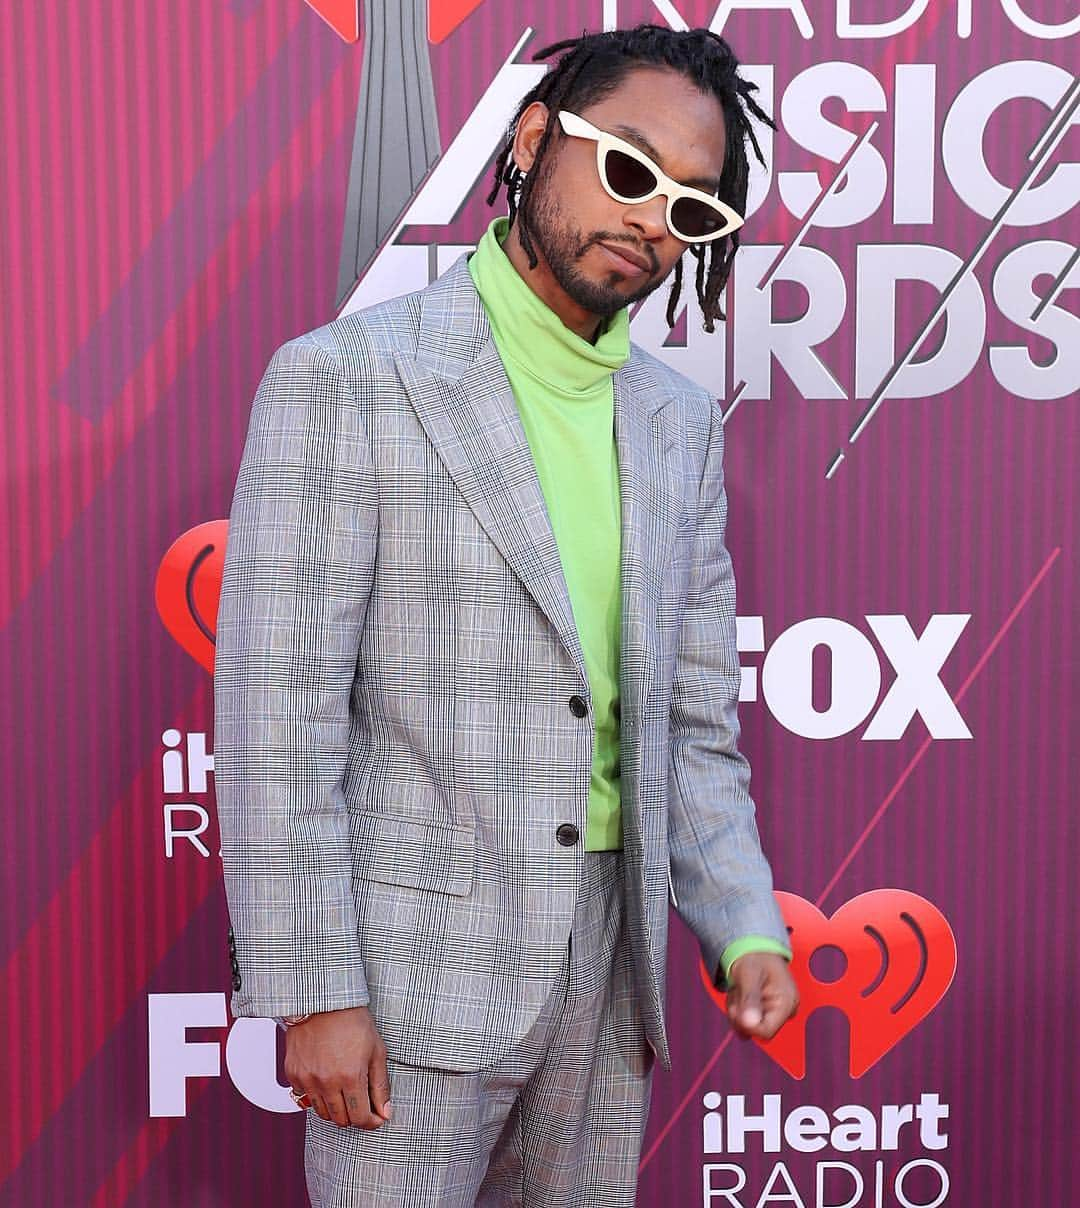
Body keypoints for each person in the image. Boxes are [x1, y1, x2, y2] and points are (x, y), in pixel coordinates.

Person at [213, 22, 799, 1208]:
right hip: (412, 976)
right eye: (628, 170)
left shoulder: (677, 423)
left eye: (692, 207)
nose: (650, 220)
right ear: (535, 139)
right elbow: (278, 717)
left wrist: (743, 923)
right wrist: (316, 987)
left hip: (609, 968)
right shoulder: (349, 376)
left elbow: (689, 721)